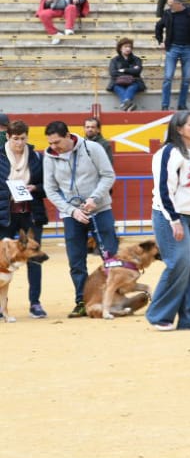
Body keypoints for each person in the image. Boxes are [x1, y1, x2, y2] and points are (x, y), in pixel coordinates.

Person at [42, 118, 119, 318]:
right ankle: (81, 301)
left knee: (109, 255)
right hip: (72, 214)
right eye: (50, 143)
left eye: (57, 142)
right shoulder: (49, 156)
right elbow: (50, 189)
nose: (53, 147)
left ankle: (115, 296)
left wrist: (95, 198)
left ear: (68, 136)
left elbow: (108, 175)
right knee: (76, 260)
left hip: (100, 209)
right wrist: (71, 209)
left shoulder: (92, 148)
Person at [145, 111, 190, 331]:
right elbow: (164, 189)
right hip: (171, 216)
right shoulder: (168, 152)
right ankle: (158, 314)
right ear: (178, 129)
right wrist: (174, 220)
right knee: (179, 263)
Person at [0, 120, 48, 319]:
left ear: (27, 137)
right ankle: (2, 308)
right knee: (1, 261)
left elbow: (49, 185)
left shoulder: (36, 157)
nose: (19, 143)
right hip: (5, 216)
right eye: (15, 139)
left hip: (30, 214)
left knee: (34, 257)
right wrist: (6, 195)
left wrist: (35, 188)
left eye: (23, 138)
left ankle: (35, 303)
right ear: (8, 137)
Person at [155, 0, 190, 110]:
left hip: (187, 48)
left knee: (186, 79)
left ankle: (182, 104)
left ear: (178, 4)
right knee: (168, 77)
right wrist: (160, 41)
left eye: (171, 5)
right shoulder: (168, 13)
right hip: (173, 48)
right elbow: (158, 26)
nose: (169, 6)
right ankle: (165, 105)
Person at [107, 37, 146, 111]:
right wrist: (130, 71)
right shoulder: (114, 60)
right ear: (120, 48)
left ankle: (124, 105)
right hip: (117, 82)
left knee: (132, 87)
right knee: (118, 88)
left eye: (130, 47)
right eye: (125, 47)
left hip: (134, 81)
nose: (128, 49)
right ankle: (128, 105)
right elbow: (113, 73)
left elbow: (137, 71)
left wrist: (124, 70)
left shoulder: (136, 59)